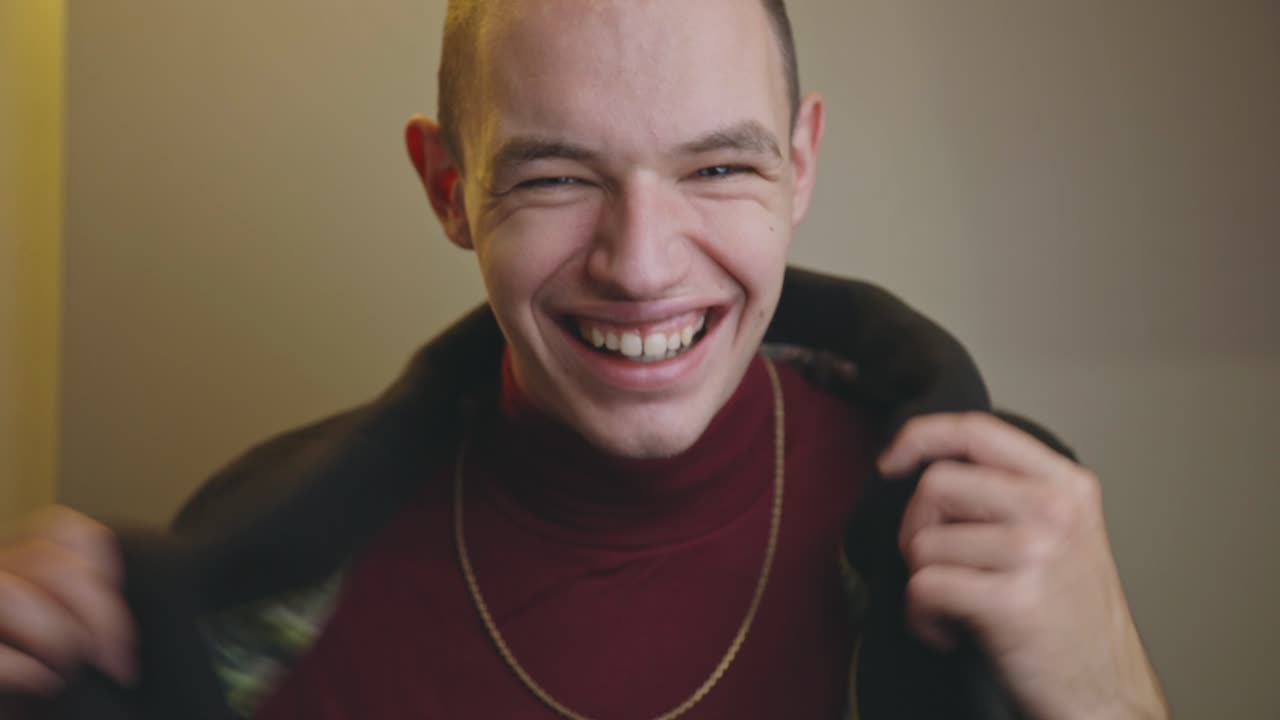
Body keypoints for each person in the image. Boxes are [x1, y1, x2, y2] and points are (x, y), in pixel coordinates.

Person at [0, 1, 1168, 718]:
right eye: (555, 176)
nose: (644, 265)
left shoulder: (999, 529)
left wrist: (1107, 698)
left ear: (800, 165)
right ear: (447, 187)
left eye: (718, 169)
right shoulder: (244, 582)